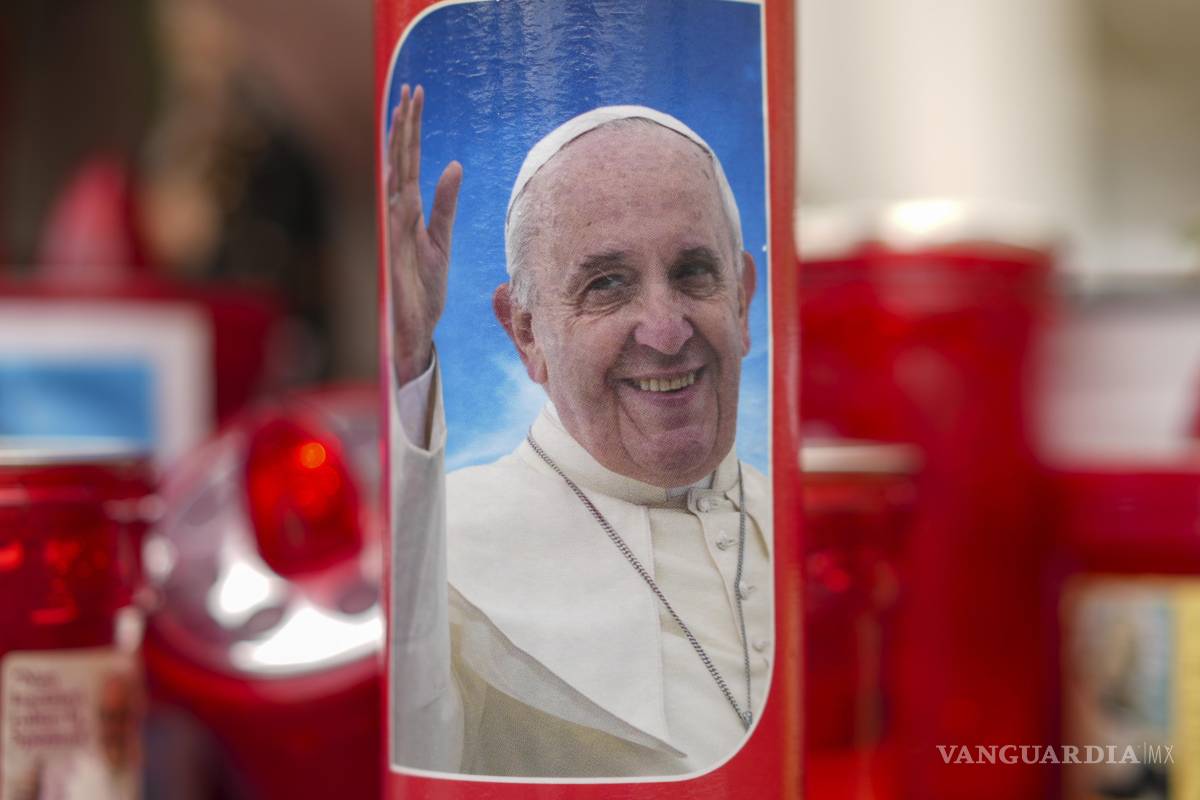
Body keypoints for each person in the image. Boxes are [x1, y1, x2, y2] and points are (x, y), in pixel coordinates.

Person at [387, 84, 772, 778]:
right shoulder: (447, 547)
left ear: (742, 301)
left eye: (693, 273)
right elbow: (416, 757)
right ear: (527, 334)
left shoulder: (808, 522)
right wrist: (406, 364)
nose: (665, 331)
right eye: (607, 285)